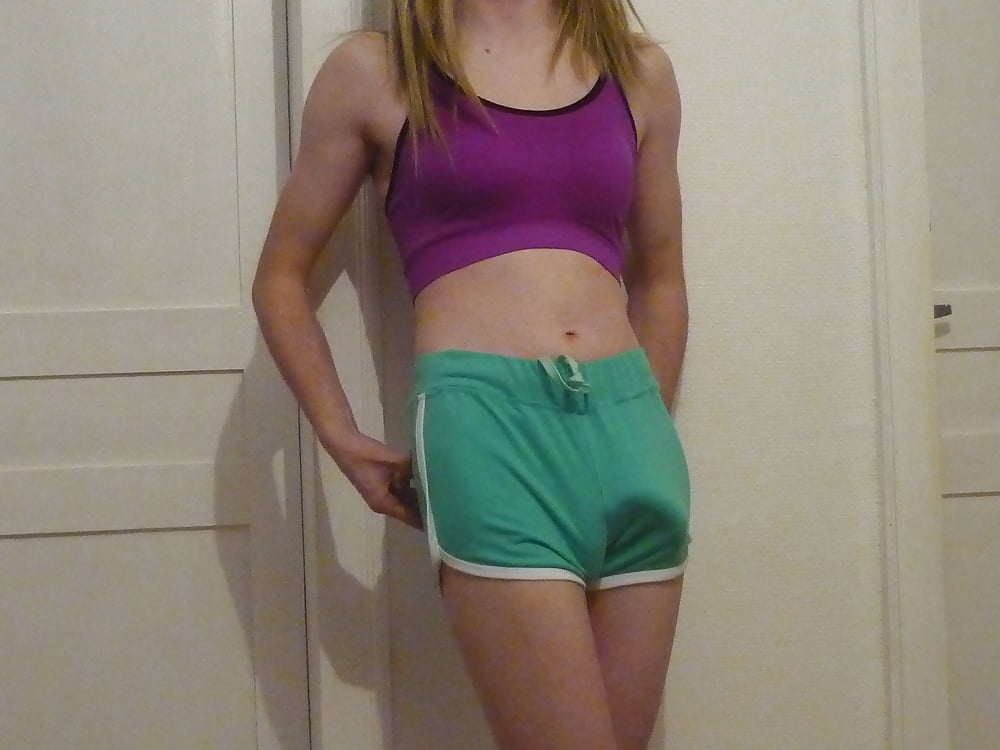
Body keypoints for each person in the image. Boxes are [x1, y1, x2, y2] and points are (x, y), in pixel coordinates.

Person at [252, 1, 690, 747]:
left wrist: (646, 423)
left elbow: (661, 282)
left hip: (632, 428)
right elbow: (281, 279)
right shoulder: (378, 71)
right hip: (488, 431)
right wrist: (340, 435)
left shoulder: (637, 70)